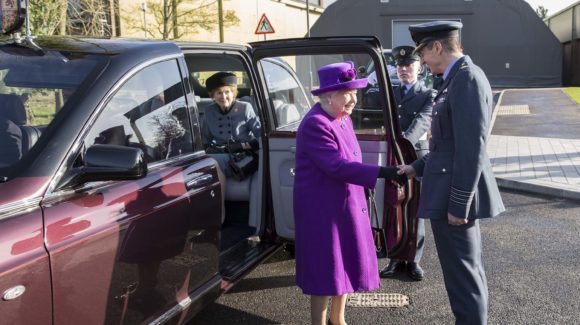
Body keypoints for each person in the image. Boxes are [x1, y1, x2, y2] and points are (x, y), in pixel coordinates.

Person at [397, 21, 505, 324]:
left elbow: (471, 150)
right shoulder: (454, 78)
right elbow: (447, 144)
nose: (423, 62)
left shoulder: (467, 79)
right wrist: (415, 167)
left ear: (437, 46)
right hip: (446, 195)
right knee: (462, 275)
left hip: (453, 202)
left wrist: (459, 204)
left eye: (423, 54)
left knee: (464, 279)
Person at [293, 61, 405, 325]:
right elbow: (337, 166)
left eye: (355, 92)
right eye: (348, 93)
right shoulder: (316, 124)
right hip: (322, 209)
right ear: (329, 95)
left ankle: (338, 319)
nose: (354, 99)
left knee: (344, 263)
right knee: (325, 270)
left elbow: (349, 160)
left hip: (344, 202)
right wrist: (383, 173)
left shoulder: (341, 118)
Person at [379, 45, 435, 281]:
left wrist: (400, 144)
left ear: (419, 67)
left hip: (416, 157)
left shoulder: (428, 94)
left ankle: (413, 260)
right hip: (393, 155)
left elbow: (422, 123)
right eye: (400, 65)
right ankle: (394, 257)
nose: (403, 69)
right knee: (393, 206)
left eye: (408, 65)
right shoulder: (389, 92)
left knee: (415, 208)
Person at [201, 71, 261, 178]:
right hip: (219, 154)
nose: (223, 96)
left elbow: (261, 136)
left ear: (233, 93)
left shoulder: (245, 108)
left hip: (243, 156)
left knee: (213, 164)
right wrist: (210, 149)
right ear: (213, 96)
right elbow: (205, 139)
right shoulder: (209, 111)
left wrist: (242, 146)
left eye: (227, 92)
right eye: (219, 93)